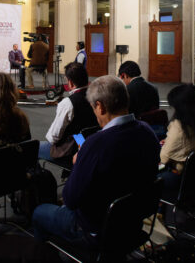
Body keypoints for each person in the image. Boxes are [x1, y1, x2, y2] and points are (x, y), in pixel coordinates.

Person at [32, 75, 160, 245]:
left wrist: (79, 163)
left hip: (95, 228)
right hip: (133, 221)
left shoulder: (95, 145)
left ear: (100, 107)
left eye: (93, 107)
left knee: (39, 212)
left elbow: (70, 199)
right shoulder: (147, 131)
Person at [39, 62, 97, 164]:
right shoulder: (98, 98)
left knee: (33, 148)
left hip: (69, 151)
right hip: (90, 146)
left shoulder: (68, 103)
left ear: (70, 83)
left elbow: (53, 137)